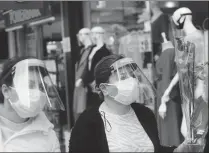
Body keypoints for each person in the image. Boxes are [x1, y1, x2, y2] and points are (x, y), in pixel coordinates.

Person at [69, 54, 192, 152]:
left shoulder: (144, 114)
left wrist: (178, 150)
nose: (131, 80)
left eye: (132, 75)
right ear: (105, 88)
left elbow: (154, 149)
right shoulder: (87, 123)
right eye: (122, 77)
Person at [0, 57, 65, 152]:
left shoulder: (48, 136)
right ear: (6, 91)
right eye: (29, 85)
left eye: (41, 87)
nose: (37, 93)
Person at [159, 7, 208, 146]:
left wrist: (166, 93)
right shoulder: (202, 36)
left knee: (189, 132)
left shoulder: (187, 40)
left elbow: (182, 71)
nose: (175, 22)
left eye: (175, 18)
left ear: (183, 18)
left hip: (194, 91)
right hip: (199, 89)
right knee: (193, 132)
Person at [86, 26, 111, 107]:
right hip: (89, 81)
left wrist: (96, 80)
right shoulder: (92, 49)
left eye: (93, 33)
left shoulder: (105, 51)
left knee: (98, 103)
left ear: (99, 35)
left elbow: (104, 67)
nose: (92, 36)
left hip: (97, 82)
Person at [73, 28, 95, 122]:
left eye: (81, 35)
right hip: (79, 85)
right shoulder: (83, 50)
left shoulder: (93, 50)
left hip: (85, 85)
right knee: (78, 111)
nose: (79, 37)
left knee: (85, 111)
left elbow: (90, 68)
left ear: (86, 35)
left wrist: (82, 79)